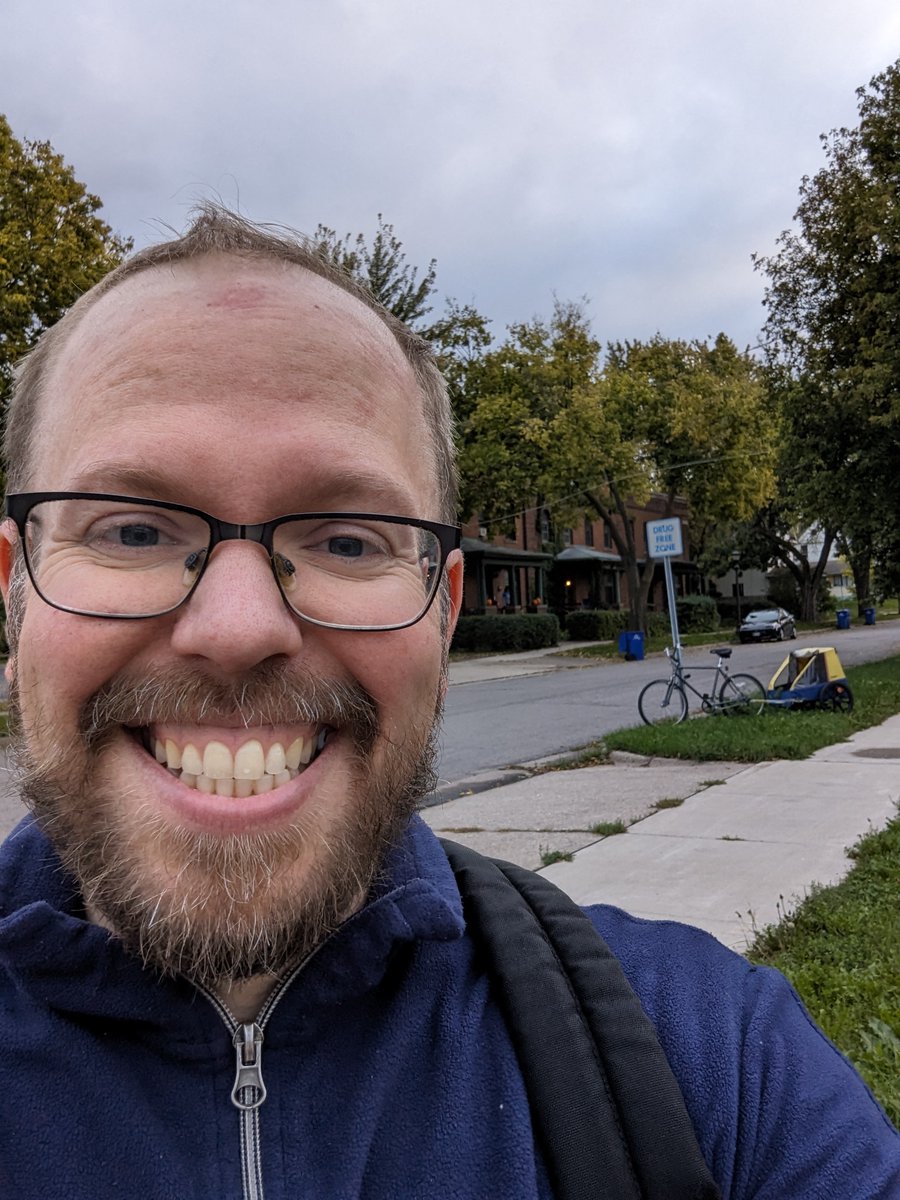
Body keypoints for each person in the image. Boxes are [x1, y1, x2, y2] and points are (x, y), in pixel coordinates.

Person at [0, 206, 896, 1199]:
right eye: (131, 531)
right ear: (14, 589)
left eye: (348, 541)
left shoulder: (719, 1069)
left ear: (444, 609)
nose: (240, 625)